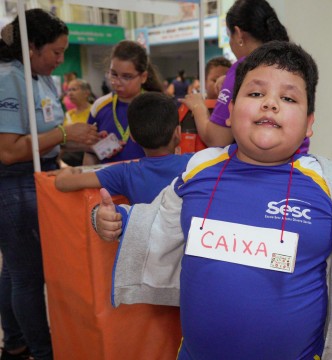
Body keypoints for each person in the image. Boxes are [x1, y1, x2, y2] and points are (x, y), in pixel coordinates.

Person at [94, 41, 332, 360]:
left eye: (288, 98)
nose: (270, 104)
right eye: (256, 93)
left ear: (310, 122)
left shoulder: (331, 188)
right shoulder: (199, 169)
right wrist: (117, 221)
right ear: (231, 110)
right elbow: (156, 220)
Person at [0, 9, 99, 360]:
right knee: (29, 276)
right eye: (55, 52)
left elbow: (46, 137)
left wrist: (79, 140)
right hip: (14, 184)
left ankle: (15, 341)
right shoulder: (8, 79)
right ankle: (43, 351)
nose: (60, 59)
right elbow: (9, 151)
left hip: (41, 174)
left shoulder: (41, 79)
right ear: (31, 48)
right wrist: (62, 134)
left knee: (15, 270)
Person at [179, 0, 303, 151]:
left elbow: (218, 139)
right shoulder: (293, 62)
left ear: (238, 34)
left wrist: (198, 107)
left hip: (258, 169)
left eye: (229, 36)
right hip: (297, 162)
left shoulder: (243, 68)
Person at [53, 92, 191, 204]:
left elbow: (62, 183)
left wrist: (71, 170)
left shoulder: (125, 173)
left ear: (132, 136)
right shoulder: (194, 164)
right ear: (178, 133)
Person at [83, 40, 163, 165]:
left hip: (147, 180)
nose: (117, 82)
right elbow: (89, 153)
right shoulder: (99, 106)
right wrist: (99, 148)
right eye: (113, 74)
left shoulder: (157, 106)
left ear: (143, 77)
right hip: (109, 181)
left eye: (126, 77)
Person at [59, 78, 94, 166]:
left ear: (86, 93)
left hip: (90, 159)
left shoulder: (95, 111)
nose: (70, 93)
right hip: (70, 161)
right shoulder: (68, 114)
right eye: (68, 90)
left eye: (74, 89)